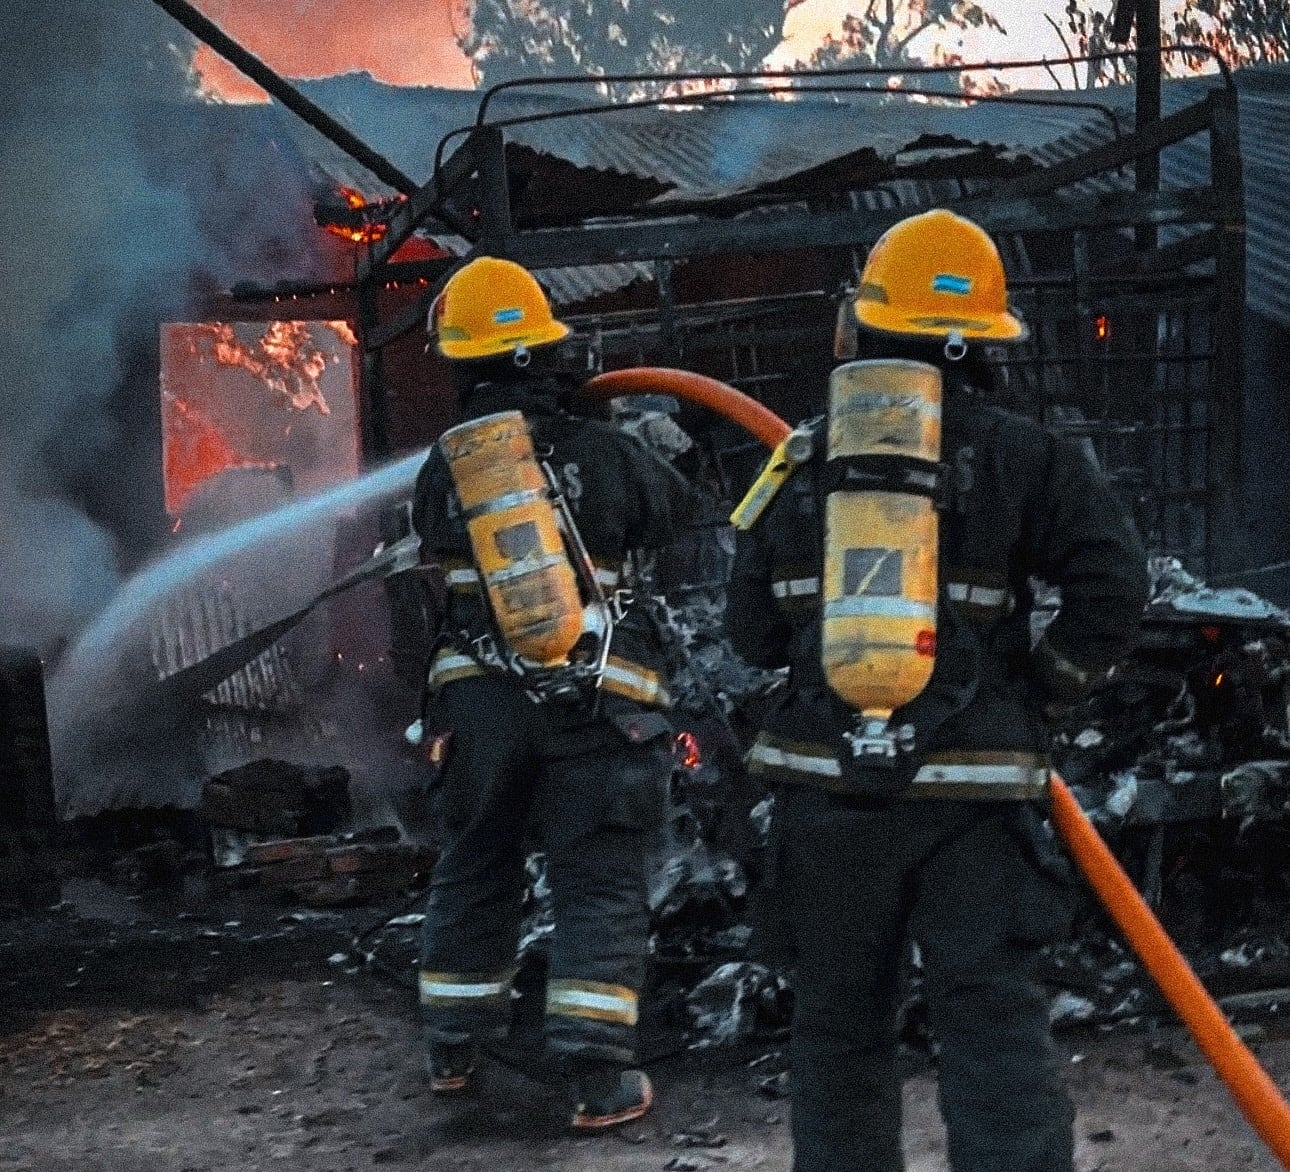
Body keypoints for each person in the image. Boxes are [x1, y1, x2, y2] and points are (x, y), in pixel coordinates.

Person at [726, 209, 1150, 1172]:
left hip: (826, 799)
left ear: (870, 324)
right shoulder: (1026, 454)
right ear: (980, 338)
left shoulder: (797, 459)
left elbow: (748, 633)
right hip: (972, 802)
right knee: (993, 1032)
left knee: (837, 1036)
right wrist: (1043, 691)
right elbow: (1115, 586)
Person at [411, 256, 696, 1131]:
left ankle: (454, 1053)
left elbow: (429, 547)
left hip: (480, 712)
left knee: (475, 864)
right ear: (547, 353)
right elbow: (683, 514)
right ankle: (598, 1080)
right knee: (597, 881)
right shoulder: (608, 452)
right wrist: (645, 438)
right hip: (597, 706)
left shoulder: (441, 472)